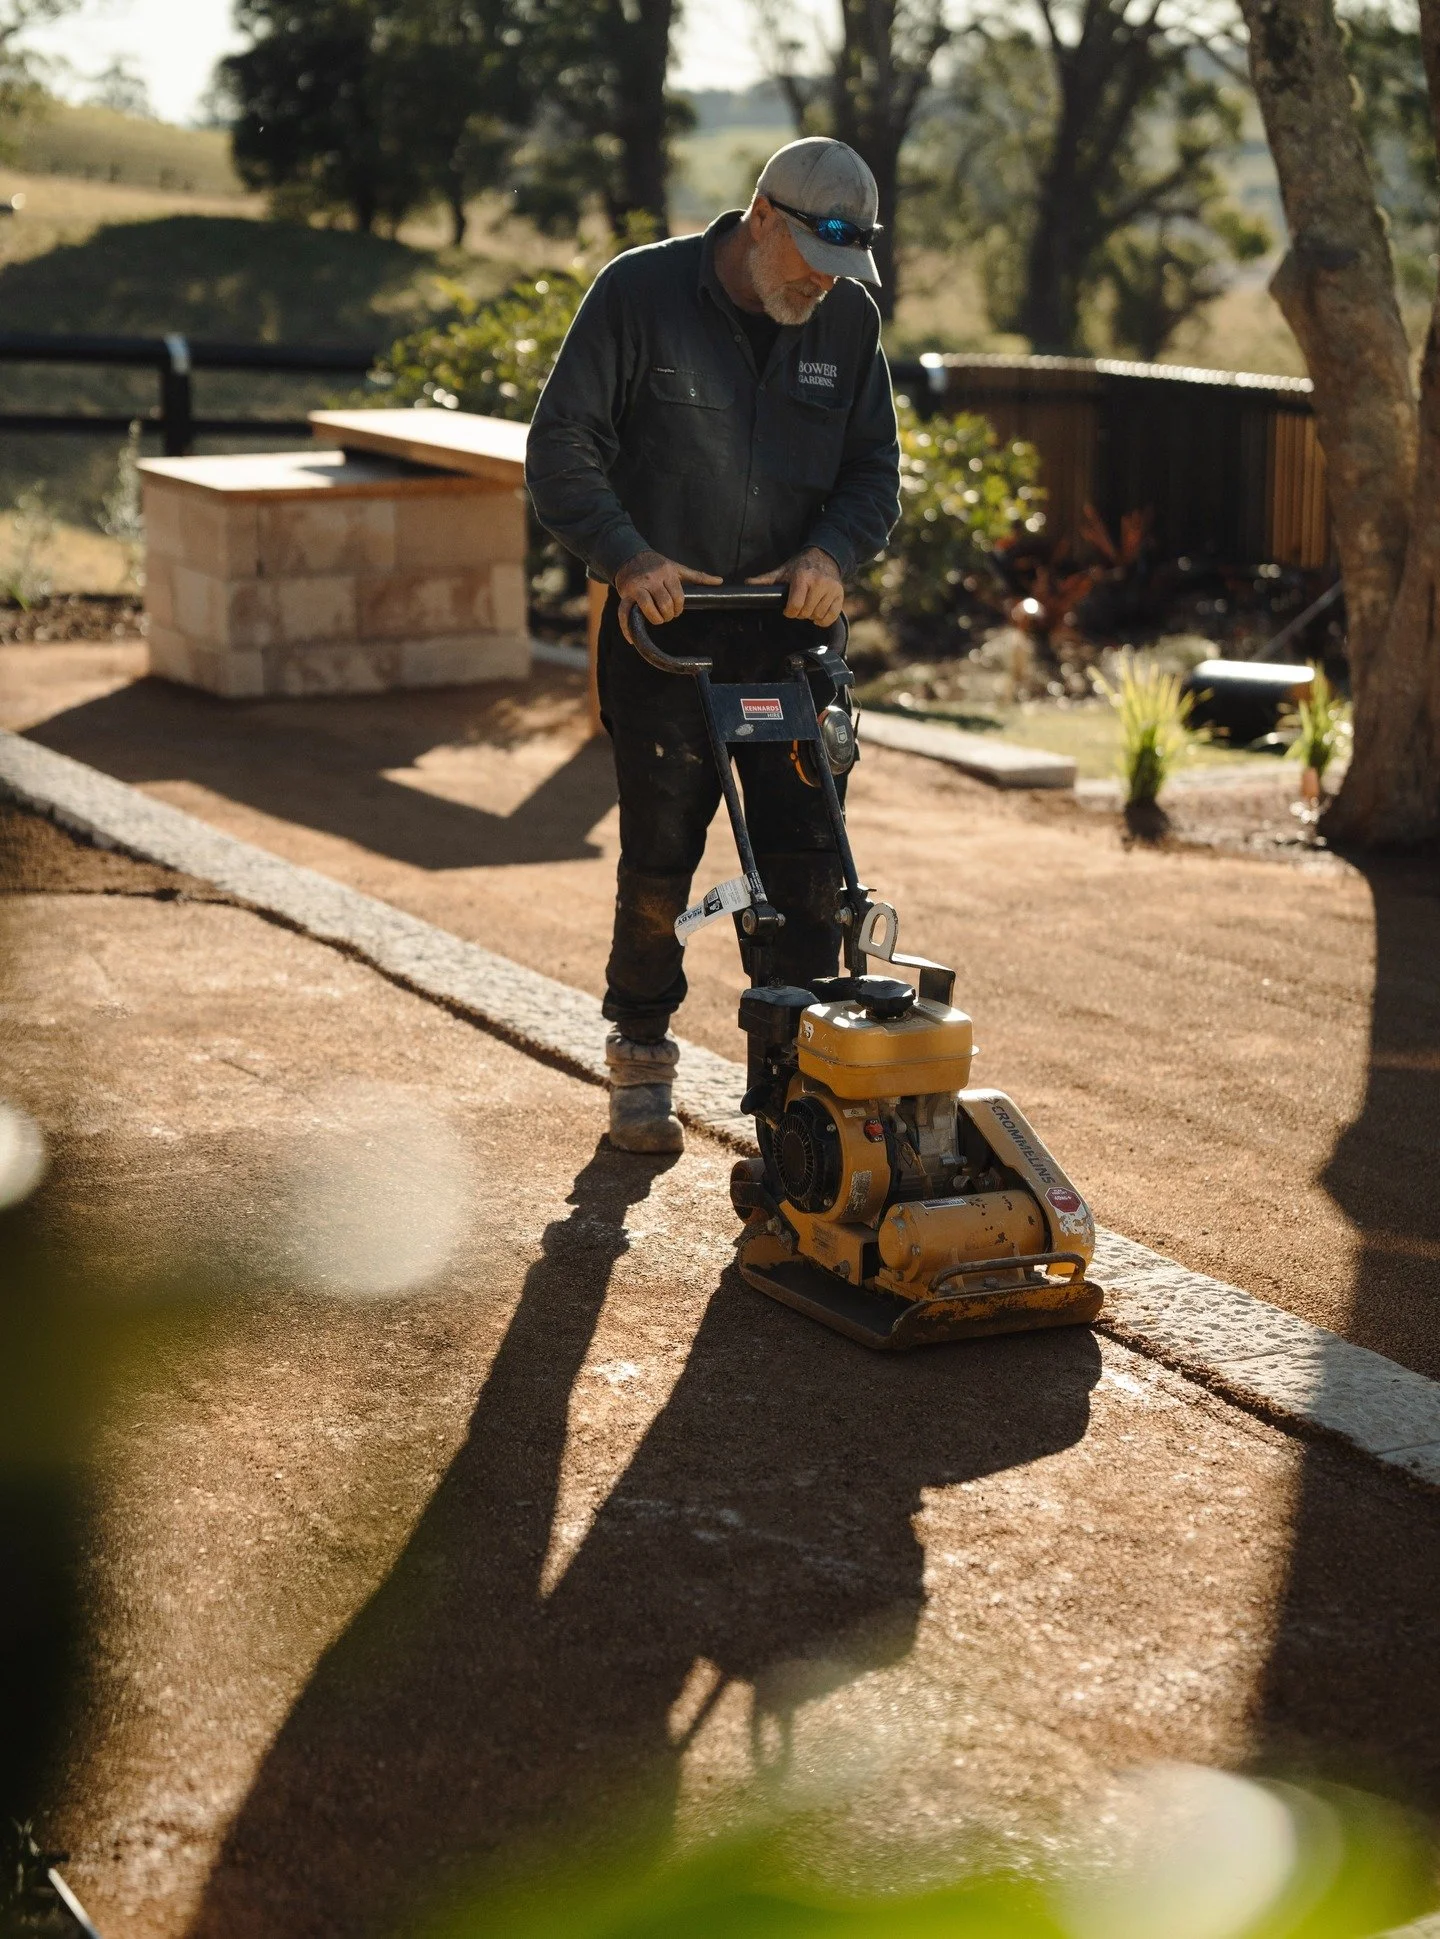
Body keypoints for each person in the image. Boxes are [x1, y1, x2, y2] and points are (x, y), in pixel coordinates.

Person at [526, 137, 901, 1154]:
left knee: (809, 862)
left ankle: (802, 1084)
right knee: (662, 853)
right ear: (763, 218)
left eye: (843, 273)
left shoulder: (848, 320)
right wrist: (625, 553)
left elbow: (874, 472)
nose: (824, 288)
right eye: (811, 264)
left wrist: (831, 551)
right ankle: (641, 1052)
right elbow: (560, 445)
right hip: (667, 635)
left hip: (788, 635)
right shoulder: (640, 295)